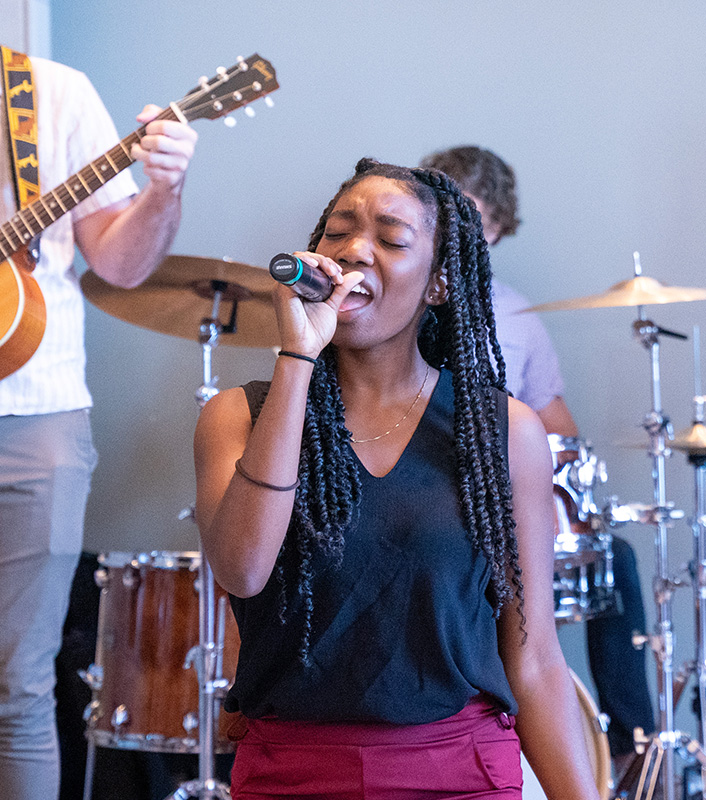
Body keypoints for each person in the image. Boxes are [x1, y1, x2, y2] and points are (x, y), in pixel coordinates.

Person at [194, 158, 602, 799]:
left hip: (460, 771)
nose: (354, 250)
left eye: (390, 238)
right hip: (291, 773)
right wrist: (298, 356)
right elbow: (243, 571)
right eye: (338, 232)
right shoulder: (238, 417)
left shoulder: (504, 431)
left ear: (439, 282)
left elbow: (536, 657)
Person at [419, 145, 655, 775]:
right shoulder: (402, 299)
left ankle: (635, 756)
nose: (463, 233)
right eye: (449, 214)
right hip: (433, 500)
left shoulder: (517, 315)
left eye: (477, 220)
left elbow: (560, 432)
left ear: (496, 229)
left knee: (614, 556)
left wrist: (564, 495)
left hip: (509, 502)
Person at [0, 49, 197, 800]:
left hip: (35, 418)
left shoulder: (50, 94)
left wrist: (165, 189)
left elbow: (118, 262)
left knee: (19, 685)